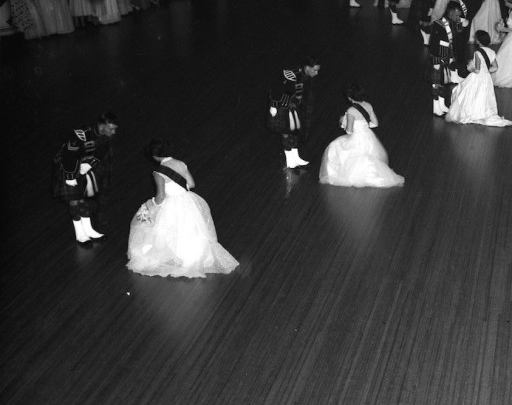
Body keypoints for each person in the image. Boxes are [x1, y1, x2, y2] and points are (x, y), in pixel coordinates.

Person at [126, 138, 239, 278]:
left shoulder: (158, 173)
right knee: (190, 229)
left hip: (171, 204)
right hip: (187, 201)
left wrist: (151, 206)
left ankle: (176, 257)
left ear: (154, 155)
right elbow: (191, 184)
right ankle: (193, 257)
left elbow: (160, 196)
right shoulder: (181, 163)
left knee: (169, 231)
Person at [53, 112, 118, 247]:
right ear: (101, 126)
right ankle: (80, 234)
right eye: (111, 128)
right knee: (75, 202)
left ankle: (88, 230)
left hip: (84, 169)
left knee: (84, 200)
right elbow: (68, 155)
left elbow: (100, 154)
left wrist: (87, 166)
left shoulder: (105, 137)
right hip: (68, 169)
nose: (114, 132)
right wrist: (70, 177)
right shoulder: (81, 133)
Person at [319, 84, 404, 188]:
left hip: (357, 137)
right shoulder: (368, 105)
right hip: (368, 136)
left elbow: (349, 131)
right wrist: (363, 126)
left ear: (350, 97)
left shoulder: (351, 110)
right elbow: (375, 123)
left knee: (334, 146)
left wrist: (343, 122)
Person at [446, 31, 512, 126]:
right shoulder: (491, 52)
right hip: (487, 78)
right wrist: (485, 71)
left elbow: (477, 70)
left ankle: (473, 114)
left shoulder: (477, 53)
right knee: (484, 96)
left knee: (470, 94)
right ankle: (483, 113)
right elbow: (495, 67)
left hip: (477, 78)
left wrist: (470, 68)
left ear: (478, 40)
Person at [267, 62, 316, 170]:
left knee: (294, 132)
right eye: (314, 70)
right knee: (285, 133)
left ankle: (296, 157)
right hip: (282, 109)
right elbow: (276, 90)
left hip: (291, 108)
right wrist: (274, 106)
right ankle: (289, 160)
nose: (316, 73)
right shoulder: (291, 75)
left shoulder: (302, 77)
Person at [429, 1, 463, 116]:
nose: (458, 17)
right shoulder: (438, 24)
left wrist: (452, 57)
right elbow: (433, 44)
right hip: (438, 58)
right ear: (450, 12)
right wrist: (436, 60)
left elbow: (458, 34)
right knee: (436, 83)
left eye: (459, 15)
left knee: (444, 82)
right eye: (456, 15)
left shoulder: (453, 23)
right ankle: (435, 106)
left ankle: (442, 104)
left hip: (447, 57)